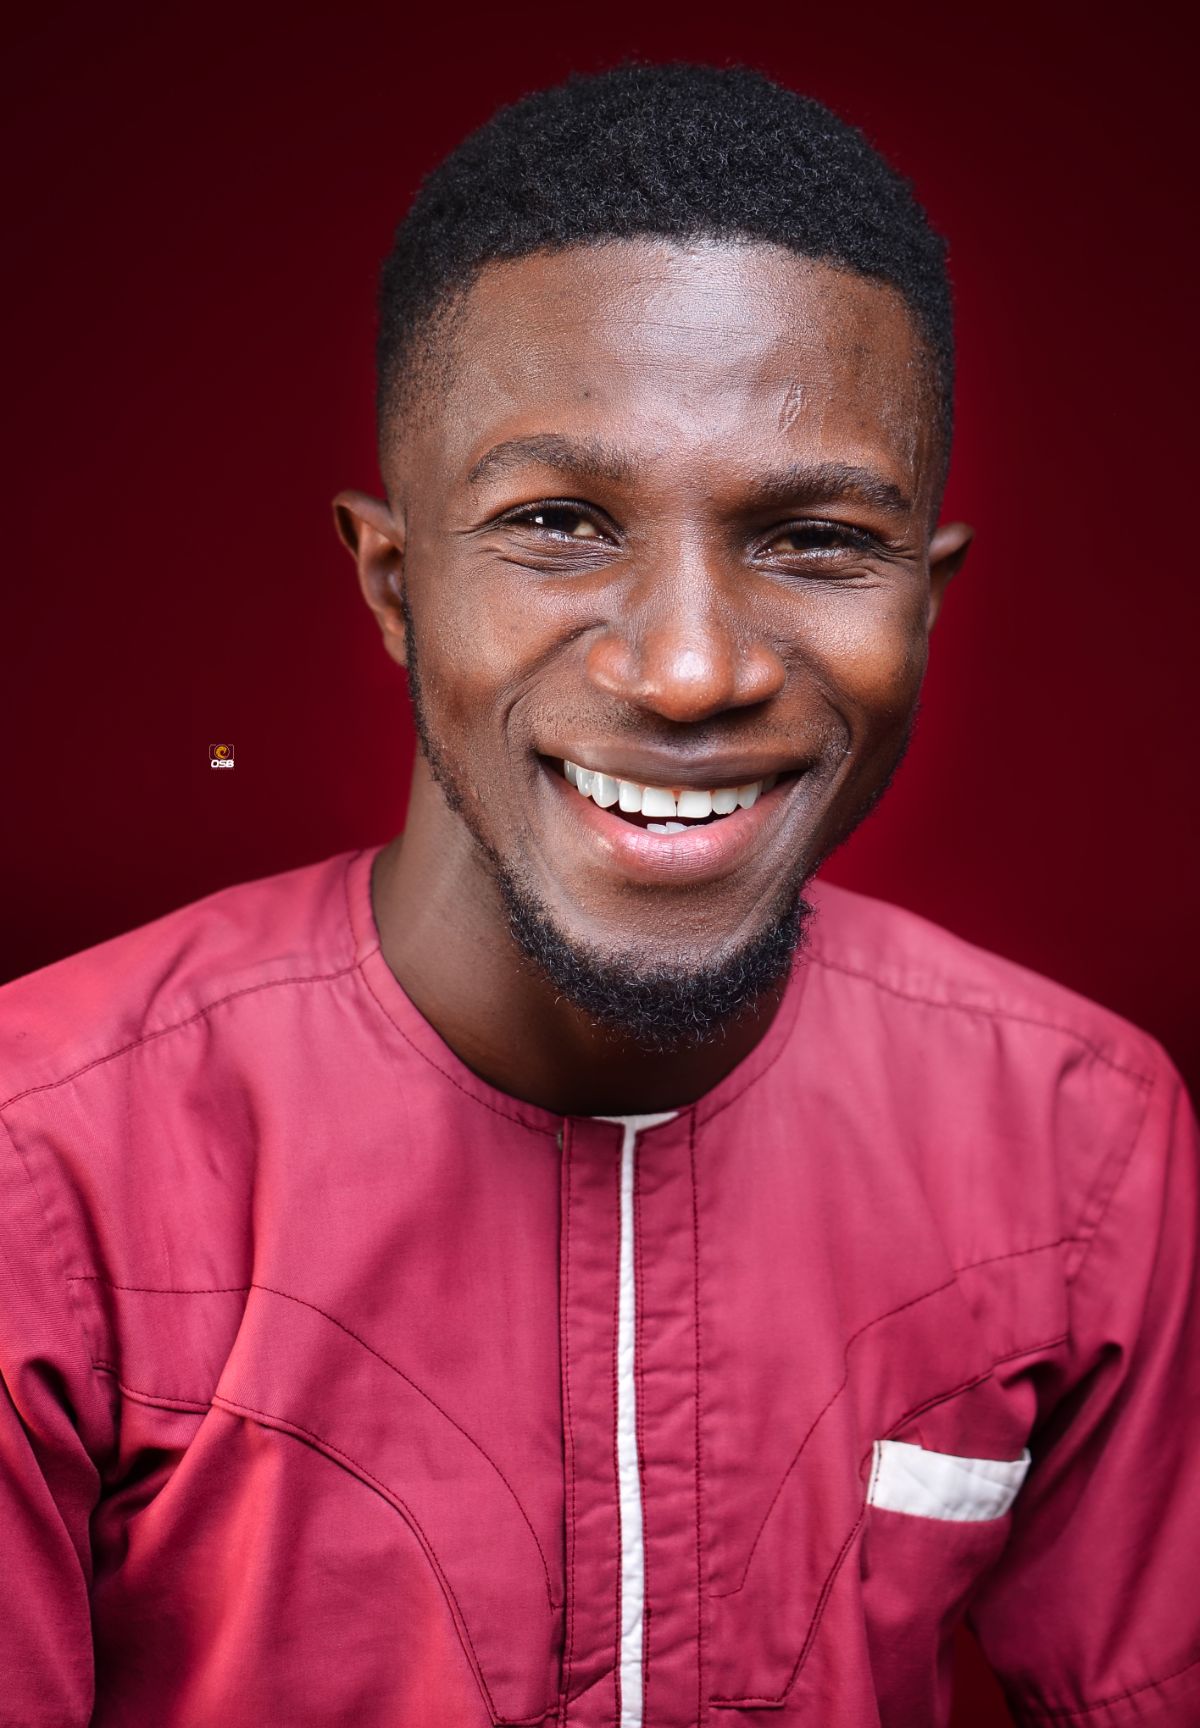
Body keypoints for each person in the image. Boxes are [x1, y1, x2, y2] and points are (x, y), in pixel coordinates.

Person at [0, 62, 1196, 1728]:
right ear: (394, 584)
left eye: (815, 540)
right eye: (558, 522)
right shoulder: (40, 1165)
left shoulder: (1083, 1141)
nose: (690, 670)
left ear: (925, 604)